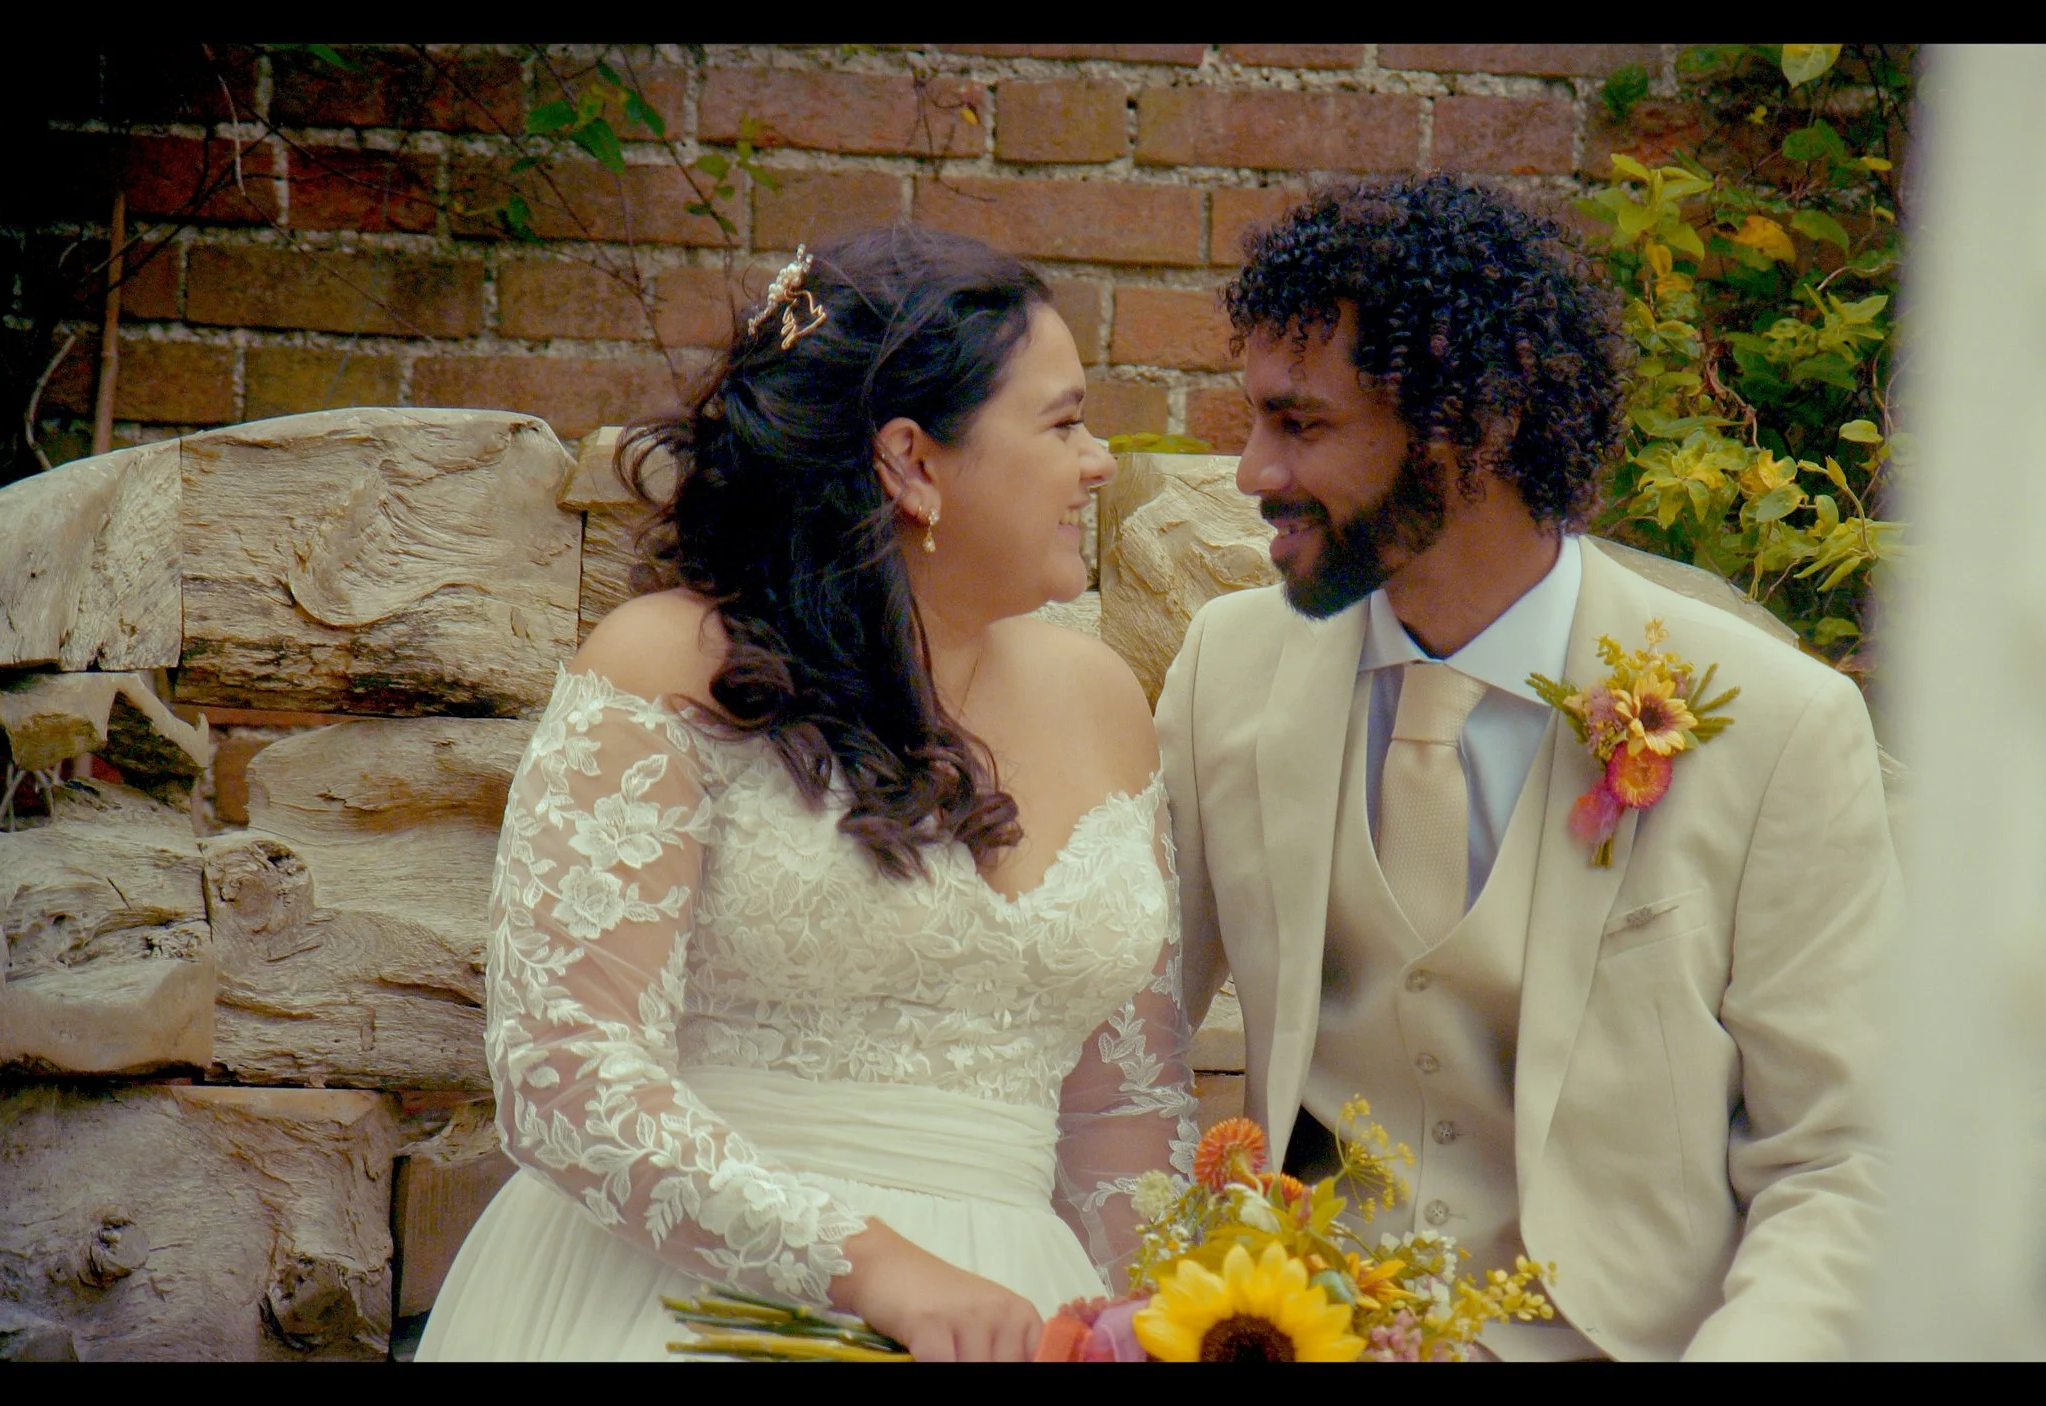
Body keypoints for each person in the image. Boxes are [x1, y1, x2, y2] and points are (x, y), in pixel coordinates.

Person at [418, 226, 1195, 1363]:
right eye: (1063, 423)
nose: (1100, 463)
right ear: (911, 461)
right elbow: (563, 1072)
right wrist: (873, 1266)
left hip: (1020, 1320)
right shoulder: (665, 666)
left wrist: (1160, 1328)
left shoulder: (1103, 699)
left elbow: (1121, 1112)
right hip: (689, 1302)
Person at [1161, 176, 1900, 1360]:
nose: (1252, 472)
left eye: (1299, 425)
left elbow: (1840, 1157)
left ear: (1474, 427)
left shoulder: (1777, 725)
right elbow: (1124, 1040)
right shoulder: (1226, 671)